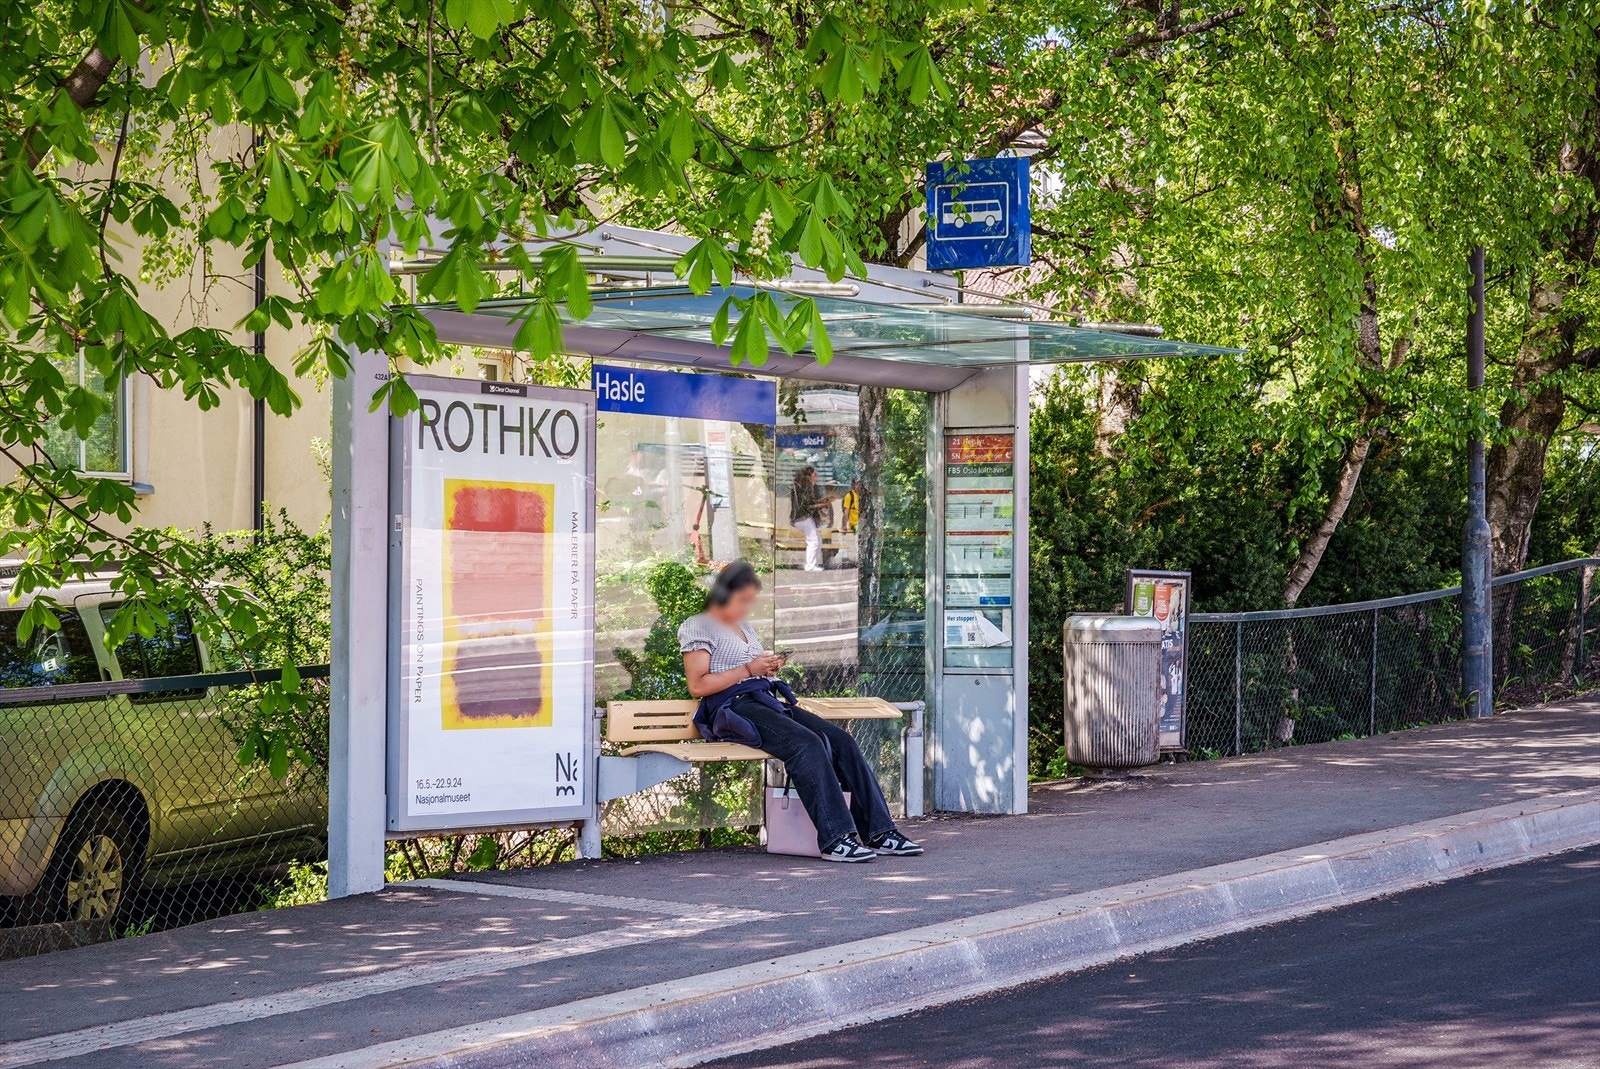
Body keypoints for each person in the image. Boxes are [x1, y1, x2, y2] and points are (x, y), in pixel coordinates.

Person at [679, 561, 923, 863]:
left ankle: (880, 832)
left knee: (842, 742)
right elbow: (698, 685)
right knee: (806, 744)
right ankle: (835, 838)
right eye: (741, 598)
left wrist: (766, 668)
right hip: (732, 708)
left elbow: (751, 670)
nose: (746, 606)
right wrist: (748, 669)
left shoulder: (744, 626)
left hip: (764, 700)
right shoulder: (698, 625)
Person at [789, 465, 829, 572]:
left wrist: (822, 502)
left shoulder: (800, 485)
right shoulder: (807, 485)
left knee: (816, 540)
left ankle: (813, 564)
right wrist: (822, 503)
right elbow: (809, 505)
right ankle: (810, 566)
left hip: (799, 517)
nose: (817, 477)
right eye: (815, 475)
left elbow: (807, 503)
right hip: (803, 517)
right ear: (811, 475)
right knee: (813, 541)